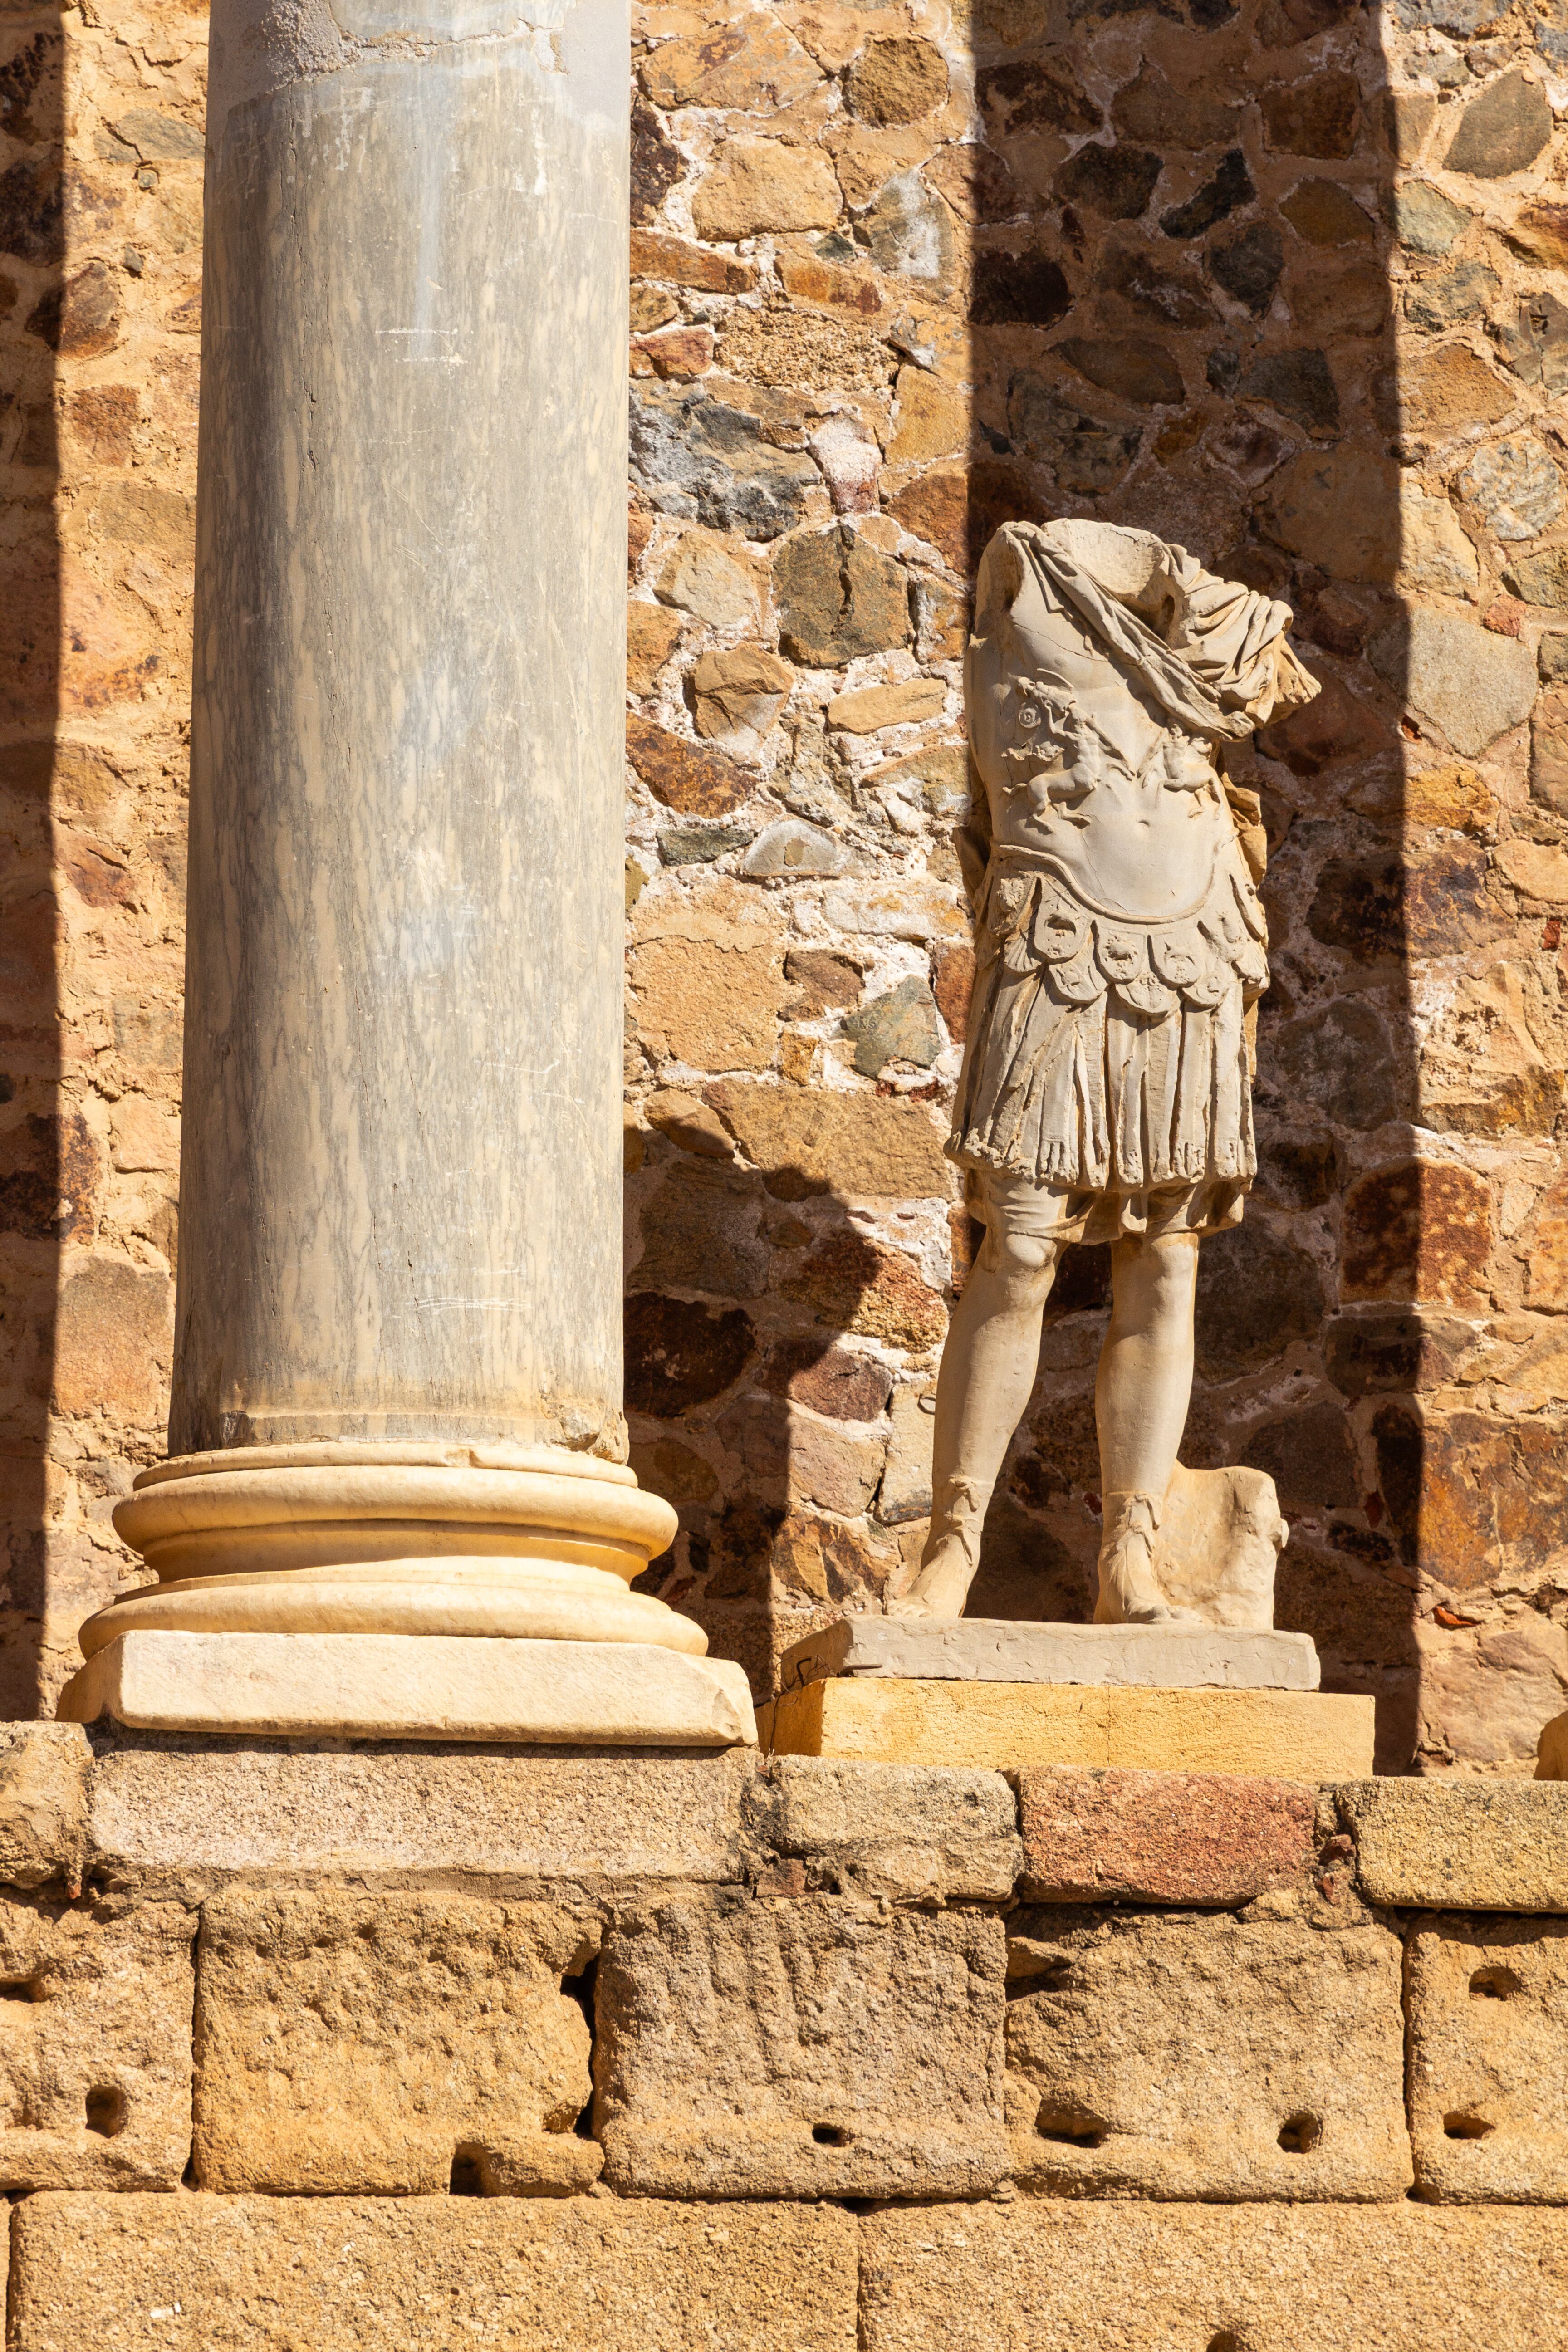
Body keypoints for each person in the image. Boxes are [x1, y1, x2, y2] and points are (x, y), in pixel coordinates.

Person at [895, 518, 1318, 1626]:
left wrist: (1169, 582)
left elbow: (1248, 649)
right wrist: (1137, 582)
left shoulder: (1210, 633)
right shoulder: (1021, 587)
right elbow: (1043, 554)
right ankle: (952, 1547)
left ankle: (1130, 1553)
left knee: (1166, 1260)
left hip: (1194, 937)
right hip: (1058, 934)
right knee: (1021, 1244)